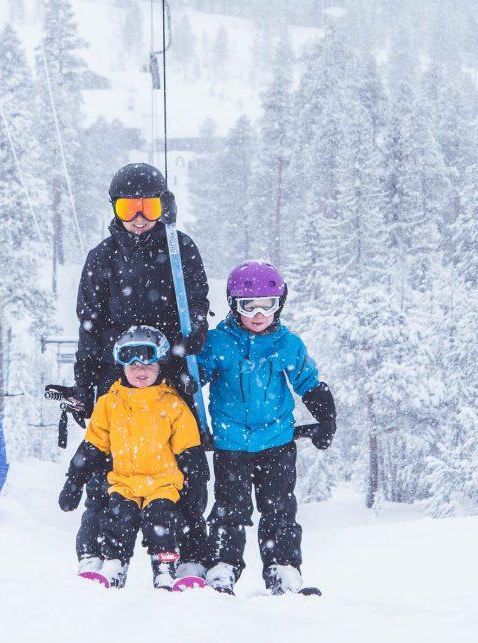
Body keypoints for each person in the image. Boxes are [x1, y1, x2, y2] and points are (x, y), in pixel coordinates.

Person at [65, 163, 211, 579]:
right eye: (129, 208)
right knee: (109, 465)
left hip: (170, 375)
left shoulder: (180, 249)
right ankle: (99, 552)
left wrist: (186, 343)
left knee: (183, 466)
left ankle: (187, 555)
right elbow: (89, 325)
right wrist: (85, 383)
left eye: (148, 207)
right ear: (116, 210)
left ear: (163, 206)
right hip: (119, 378)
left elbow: (197, 306)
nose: (139, 219)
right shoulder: (103, 257)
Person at [196, 260, 337, 595]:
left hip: (277, 442)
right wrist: (189, 372)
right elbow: (196, 378)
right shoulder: (218, 343)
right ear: (233, 305)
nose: (259, 315)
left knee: (279, 510)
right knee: (231, 509)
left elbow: (306, 380)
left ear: (280, 305)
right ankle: (222, 566)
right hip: (232, 443)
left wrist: (324, 413)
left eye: (267, 306)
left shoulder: (287, 344)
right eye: (249, 306)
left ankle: (282, 568)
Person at [58, 326, 206, 590]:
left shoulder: (172, 403)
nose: (141, 371)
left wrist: (196, 483)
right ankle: (114, 564)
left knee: (163, 522)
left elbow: (188, 448)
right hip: (124, 483)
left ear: (160, 364)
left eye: (149, 365)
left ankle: (164, 567)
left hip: (162, 483)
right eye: (133, 364)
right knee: (116, 519)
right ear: (121, 365)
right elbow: (93, 445)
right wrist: (74, 481)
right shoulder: (109, 403)